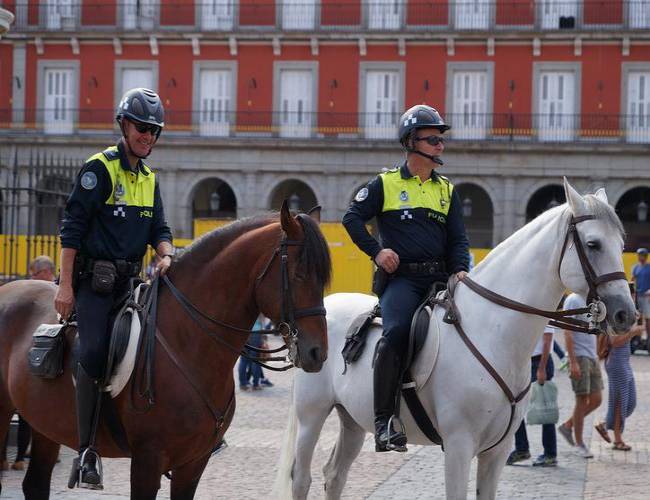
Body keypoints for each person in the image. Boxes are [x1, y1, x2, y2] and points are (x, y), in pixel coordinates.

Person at [55, 88, 174, 489]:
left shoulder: (149, 179)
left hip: (131, 284)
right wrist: (66, 286)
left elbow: (159, 227)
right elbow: (71, 230)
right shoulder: (99, 169)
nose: (149, 137)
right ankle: (87, 452)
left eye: (155, 130)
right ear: (124, 124)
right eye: (143, 128)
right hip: (93, 285)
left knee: (165, 345)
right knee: (91, 352)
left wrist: (166, 252)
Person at [342, 104, 469, 452]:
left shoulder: (447, 190)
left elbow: (458, 239)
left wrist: (461, 270)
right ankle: (385, 420)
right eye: (433, 139)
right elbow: (352, 218)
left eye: (442, 140)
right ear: (411, 141)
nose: (441, 146)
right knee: (396, 332)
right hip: (403, 282)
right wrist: (377, 252)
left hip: (442, 281)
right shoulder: (385, 184)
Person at [557, 293, 603, 458]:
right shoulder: (573, 300)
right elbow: (567, 332)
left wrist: (597, 354)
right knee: (582, 400)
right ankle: (579, 443)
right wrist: (573, 361)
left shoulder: (593, 300)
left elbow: (594, 329)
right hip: (579, 356)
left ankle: (568, 425)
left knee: (597, 399)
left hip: (591, 356)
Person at [507, 323, 558, 467]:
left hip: (540, 362)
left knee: (544, 409)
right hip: (525, 362)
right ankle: (521, 448)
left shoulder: (545, 314)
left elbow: (547, 341)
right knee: (516, 406)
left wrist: (542, 368)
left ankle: (550, 454)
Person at [594, 323, 644, 451]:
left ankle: (604, 424)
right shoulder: (617, 315)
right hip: (616, 363)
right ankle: (618, 439)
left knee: (630, 403)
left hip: (624, 362)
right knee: (619, 403)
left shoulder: (625, 314)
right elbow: (615, 342)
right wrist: (634, 332)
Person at [632, 248, 650, 343]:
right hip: (638, 296)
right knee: (638, 317)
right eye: (639, 255)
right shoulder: (635, 267)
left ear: (645, 256)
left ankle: (648, 338)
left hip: (647, 296)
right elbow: (632, 279)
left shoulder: (649, 267)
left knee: (647, 318)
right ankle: (637, 337)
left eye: (641, 255)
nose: (639, 257)